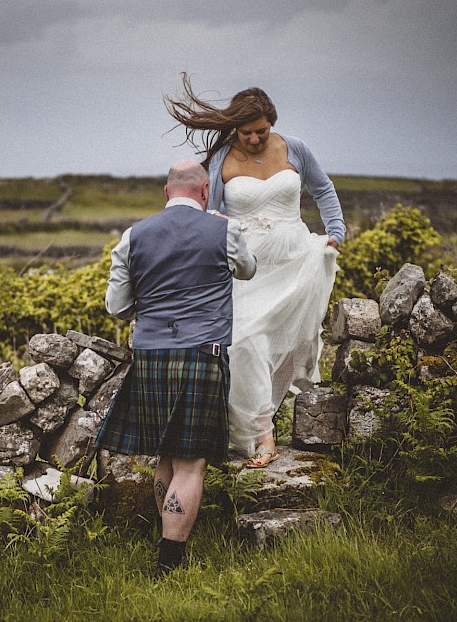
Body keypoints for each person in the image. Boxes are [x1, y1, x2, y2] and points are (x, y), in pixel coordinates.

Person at [164, 73, 344, 468]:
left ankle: (283, 425)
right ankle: (261, 432)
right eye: (247, 132)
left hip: (296, 258)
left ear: (271, 125)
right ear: (235, 129)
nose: (254, 139)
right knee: (244, 342)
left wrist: (336, 232)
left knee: (293, 341)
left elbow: (323, 188)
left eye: (261, 131)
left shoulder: (295, 148)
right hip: (247, 267)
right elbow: (209, 211)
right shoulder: (220, 160)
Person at [97, 159, 256, 573]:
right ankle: (170, 562)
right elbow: (248, 269)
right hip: (202, 355)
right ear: (205, 192)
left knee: (165, 457)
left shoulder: (133, 235)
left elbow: (117, 307)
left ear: (167, 193)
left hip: (150, 356)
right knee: (191, 463)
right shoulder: (224, 229)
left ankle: (167, 540)